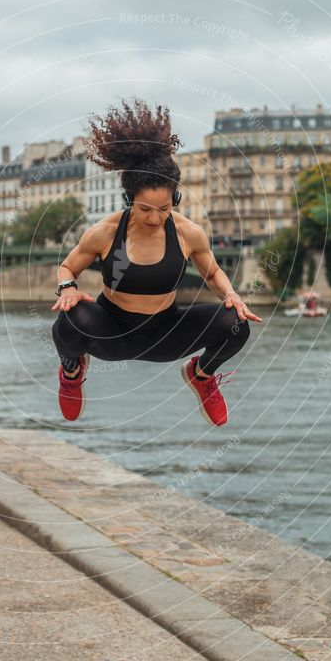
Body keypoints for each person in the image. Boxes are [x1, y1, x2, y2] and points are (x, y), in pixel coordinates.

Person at [51, 99, 262, 426]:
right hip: (112, 332)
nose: (155, 217)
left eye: (163, 207)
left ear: (175, 198)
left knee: (236, 322)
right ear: (129, 199)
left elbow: (213, 272)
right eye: (145, 209)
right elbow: (68, 267)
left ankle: (201, 375)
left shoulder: (188, 233)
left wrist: (230, 295)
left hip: (166, 333)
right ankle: (71, 370)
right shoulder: (105, 231)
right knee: (70, 319)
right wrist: (68, 289)